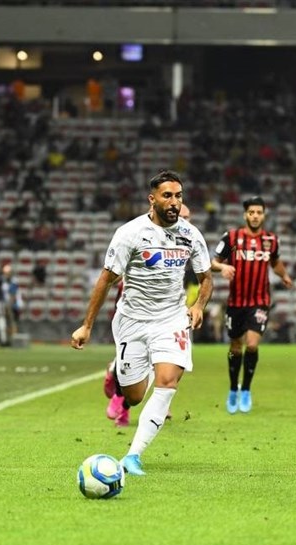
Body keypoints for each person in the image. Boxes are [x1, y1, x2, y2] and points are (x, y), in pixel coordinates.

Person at [71, 170, 213, 476]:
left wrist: (199, 305)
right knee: (134, 396)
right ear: (152, 199)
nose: (174, 202)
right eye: (167, 196)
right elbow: (106, 280)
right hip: (133, 321)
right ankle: (117, 371)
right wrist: (87, 325)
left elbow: (205, 278)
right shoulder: (130, 233)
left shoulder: (191, 235)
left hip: (171, 319)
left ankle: (133, 456)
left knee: (167, 381)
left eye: (178, 196)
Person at [104, 203, 192, 427]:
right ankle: (118, 382)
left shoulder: (186, 240)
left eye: (188, 217)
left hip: (166, 314)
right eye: (182, 216)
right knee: (135, 365)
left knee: (165, 360)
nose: (185, 220)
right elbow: (115, 273)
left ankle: (154, 401)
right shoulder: (141, 234)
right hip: (135, 309)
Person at [211, 197, 293, 414]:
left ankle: (246, 389)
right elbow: (213, 262)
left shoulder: (271, 240)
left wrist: (284, 275)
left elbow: (275, 262)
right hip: (236, 302)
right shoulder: (231, 237)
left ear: (264, 215)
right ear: (245, 215)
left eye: (259, 212)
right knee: (235, 347)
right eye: (251, 212)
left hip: (259, 301)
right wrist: (222, 268)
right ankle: (233, 389)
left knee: (253, 344)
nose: (255, 216)